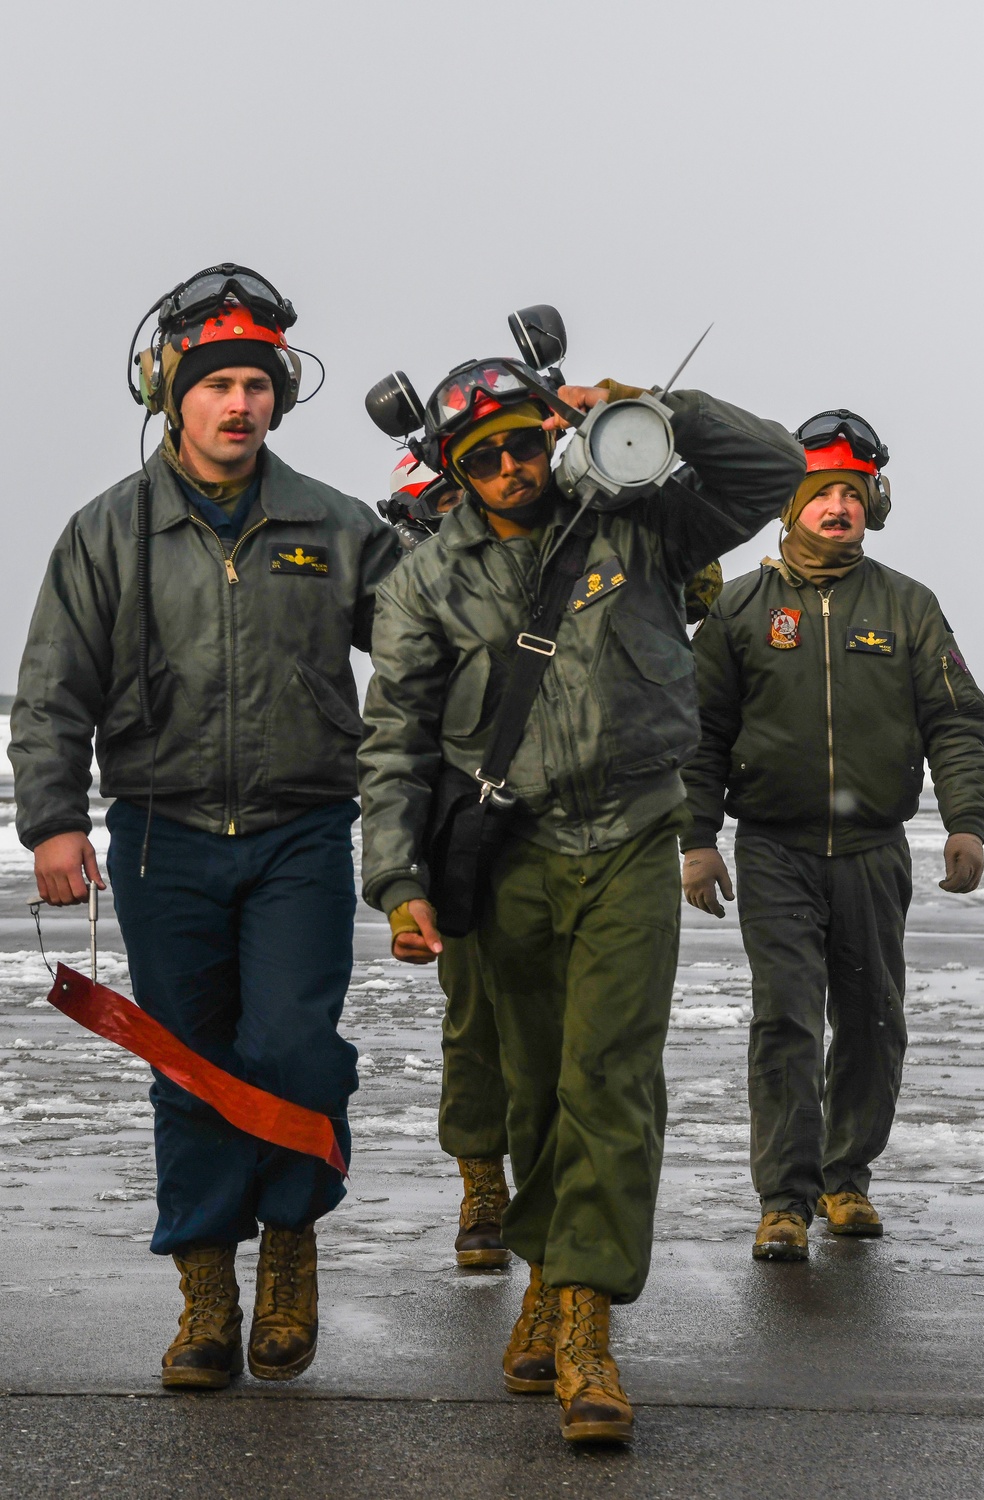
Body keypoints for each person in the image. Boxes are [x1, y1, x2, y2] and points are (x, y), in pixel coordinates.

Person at [359, 354, 804, 1443]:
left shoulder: (636, 521)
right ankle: (548, 1278)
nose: (513, 467)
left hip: (633, 834)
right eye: (485, 456)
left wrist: (656, 409)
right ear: (456, 473)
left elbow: (772, 471)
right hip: (504, 853)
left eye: (525, 442)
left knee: (609, 1074)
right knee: (533, 1090)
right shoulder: (424, 581)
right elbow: (395, 741)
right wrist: (396, 879)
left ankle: (586, 1323)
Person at [9, 264, 400, 1388]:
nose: (239, 405)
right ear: (169, 394)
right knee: (185, 1065)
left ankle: (287, 1248)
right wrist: (51, 821)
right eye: (217, 383)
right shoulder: (106, 533)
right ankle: (204, 1296)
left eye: (257, 385)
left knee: (293, 1048)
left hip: (301, 833)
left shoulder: (334, 523)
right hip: (156, 835)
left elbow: (429, 649)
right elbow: (52, 691)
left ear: (280, 398)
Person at [680, 409, 984, 1261]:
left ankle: (845, 1179)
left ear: (872, 507)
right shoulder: (741, 609)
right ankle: (784, 1199)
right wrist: (697, 838)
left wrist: (966, 822)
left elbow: (958, 719)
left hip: (872, 851)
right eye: (823, 493)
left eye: (853, 495)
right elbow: (699, 733)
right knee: (784, 1017)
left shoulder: (907, 605)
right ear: (791, 505)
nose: (839, 507)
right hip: (774, 849)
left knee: (871, 1017)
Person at [381, 454, 513, 1269]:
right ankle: (482, 1185)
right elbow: (395, 720)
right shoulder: (417, 565)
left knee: (575, 1032)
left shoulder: (572, 539)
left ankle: (550, 1192)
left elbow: (691, 590)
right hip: (459, 822)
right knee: (474, 1020)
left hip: (572, 818)